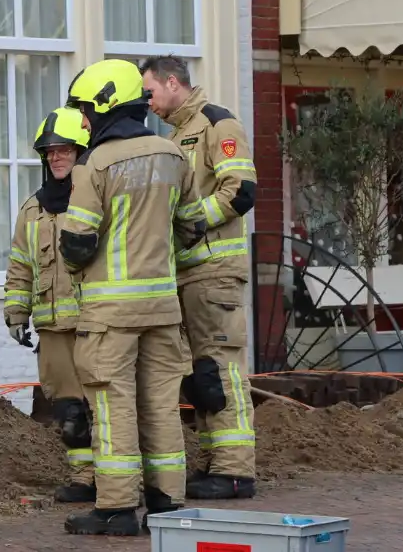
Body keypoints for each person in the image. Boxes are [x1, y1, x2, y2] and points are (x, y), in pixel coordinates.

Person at [57, 59, 207, 536]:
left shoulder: (95, 164)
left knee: (111, 404)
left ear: (103, 104)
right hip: (163, 307)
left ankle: (117, 507)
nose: (82, 120)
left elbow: (78, 242)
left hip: (110, 314)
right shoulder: (172, 154)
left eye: (84, 108)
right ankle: (168, 505)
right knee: (162, 404)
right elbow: (194, 225)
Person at [140, 55, 259, 500]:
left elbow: (241, 189)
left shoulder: (218, 125)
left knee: (221, 368)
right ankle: (217, 463)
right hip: (190, 271)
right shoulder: (176, 135)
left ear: (173, 82)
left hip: (215, 270)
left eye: (149, 91)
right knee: (202, 374)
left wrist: (194, 221)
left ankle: (235, 470)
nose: (146, 101)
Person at [3, 107, 98, 504]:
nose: (56, 158)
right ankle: (84, 479)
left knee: (106, 406)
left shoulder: (96, 198)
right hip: (53, 328)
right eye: (50, 152)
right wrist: (15, 312)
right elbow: (20, 263)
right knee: (69, 410)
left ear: (81, 152)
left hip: (95, 323)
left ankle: (119, 480)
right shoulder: (32, 208)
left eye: (64, 150)